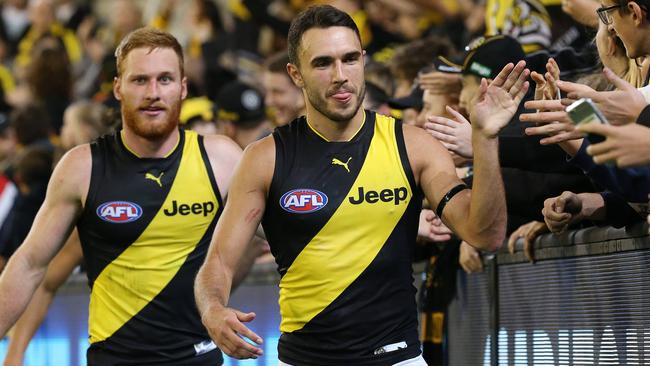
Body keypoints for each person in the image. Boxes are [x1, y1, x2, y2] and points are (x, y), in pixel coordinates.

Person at [194, 5, 529, 365]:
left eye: (350, 59)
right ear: (296, 74)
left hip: (397, 357)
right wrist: (213, 310)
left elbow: (485, 234)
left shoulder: (413, 146)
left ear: (364, 60)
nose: (341, 75)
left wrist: (487, 140)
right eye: (323, 63)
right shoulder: (265, 158)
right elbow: (219, 262)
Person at [0, 27, 247, 365]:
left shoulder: (221, 159)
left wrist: (217, 303)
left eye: (165, 79)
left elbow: (275, 239)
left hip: (199, 358)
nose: (153, 93)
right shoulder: (82, 167)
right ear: (118, 87)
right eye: (140, 80)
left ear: (183, 87)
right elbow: (30, 264)